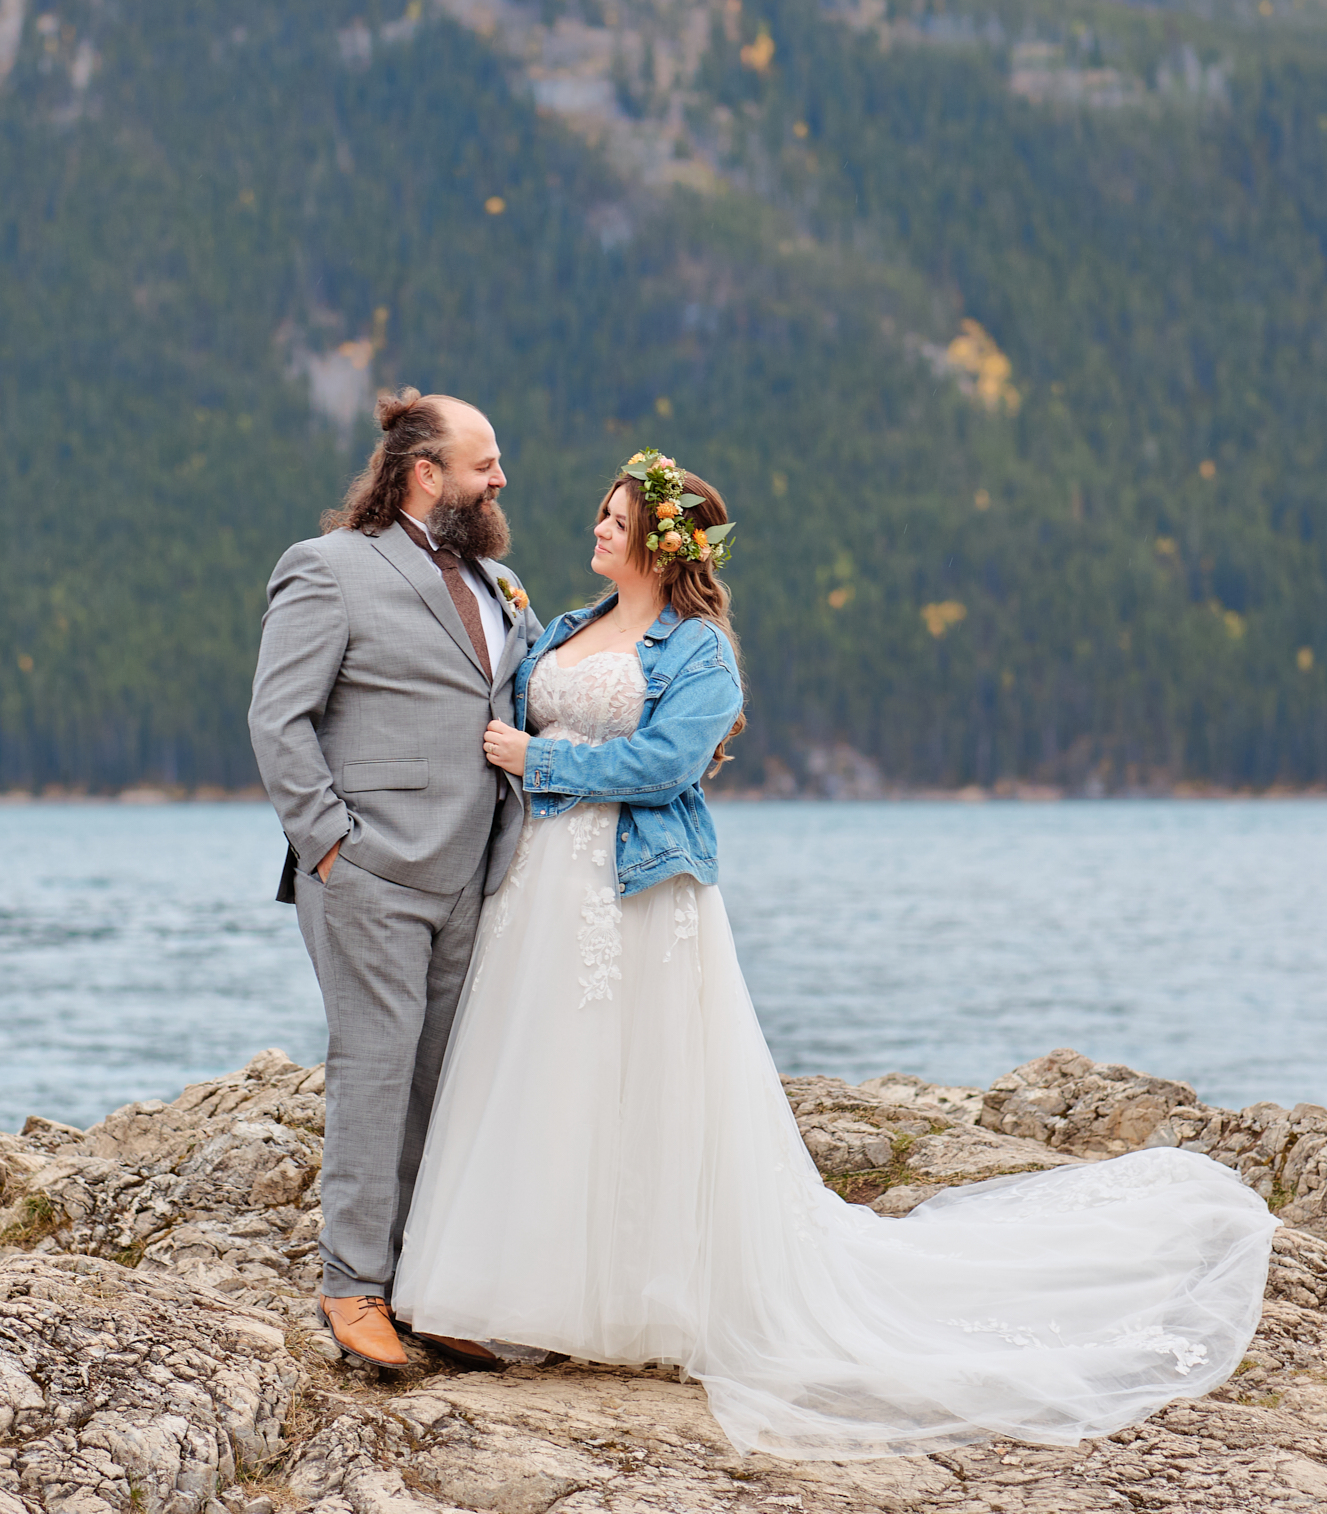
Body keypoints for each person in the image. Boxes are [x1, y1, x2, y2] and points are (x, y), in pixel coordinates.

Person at [390, 450, 1280, 1459]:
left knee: (630, 1081)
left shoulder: (699, 651)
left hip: (634, 886)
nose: (594, 527)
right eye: (600, 512)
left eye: (615, 516)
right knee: (540, 1072)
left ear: (661, 543)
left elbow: (673, 763)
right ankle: (502, 1285)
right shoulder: (564, 625)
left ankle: (624, 1296)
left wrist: (538, 756)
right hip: (538, 885)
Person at [247, 386, 543, 1373]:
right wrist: (330, 842)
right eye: (483, 460)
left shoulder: (495, 580)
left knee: (440, 1083)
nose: (499, 476)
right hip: (369, 869)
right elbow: (276, 718)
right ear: (425, 473)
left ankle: (425, 1287)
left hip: (471, 870)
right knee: (374, 1071)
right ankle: (351, 1285)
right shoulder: (328, 569)